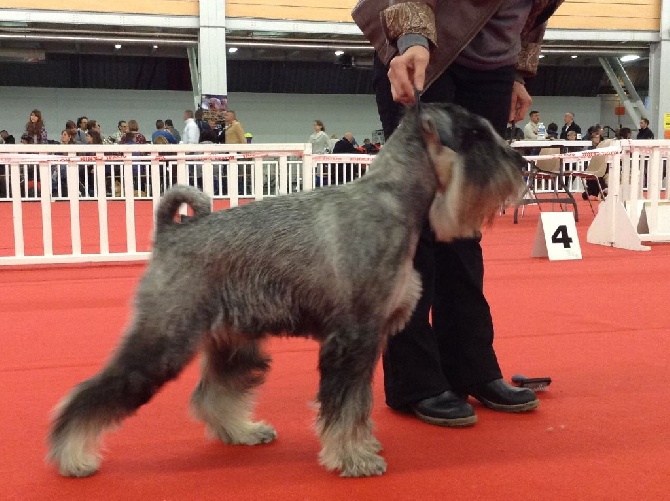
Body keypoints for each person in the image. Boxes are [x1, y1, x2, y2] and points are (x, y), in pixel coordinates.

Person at [352, 0, 562, 427]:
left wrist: (518, 74)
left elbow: (534, 13)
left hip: (492, 70)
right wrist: (410, 41)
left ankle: (473, 367)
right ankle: (416, 381)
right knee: (415, 227)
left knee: (466, 223)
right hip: (430, 50)